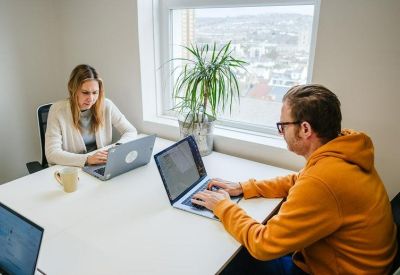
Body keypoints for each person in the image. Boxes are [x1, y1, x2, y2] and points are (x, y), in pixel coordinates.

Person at [192, 84, 398, 274]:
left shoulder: (323, 180)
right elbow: (300, 180)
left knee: (233, 258)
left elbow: (262, 244)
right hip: (357, 265)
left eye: (283, 126)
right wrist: (244, 187)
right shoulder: (344, 149)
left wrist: (223, 207)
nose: (281, 132)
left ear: (305, 129)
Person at [45, 64, 137, 167]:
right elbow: (52, 153)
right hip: (71, 168)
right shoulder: (57, 111)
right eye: (85, 92)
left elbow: (130, 131)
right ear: (72, 89)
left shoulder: (106, 105)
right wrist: (87, 159)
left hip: (101, 165)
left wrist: (117, 148)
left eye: (95, 92)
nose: (91, 98)